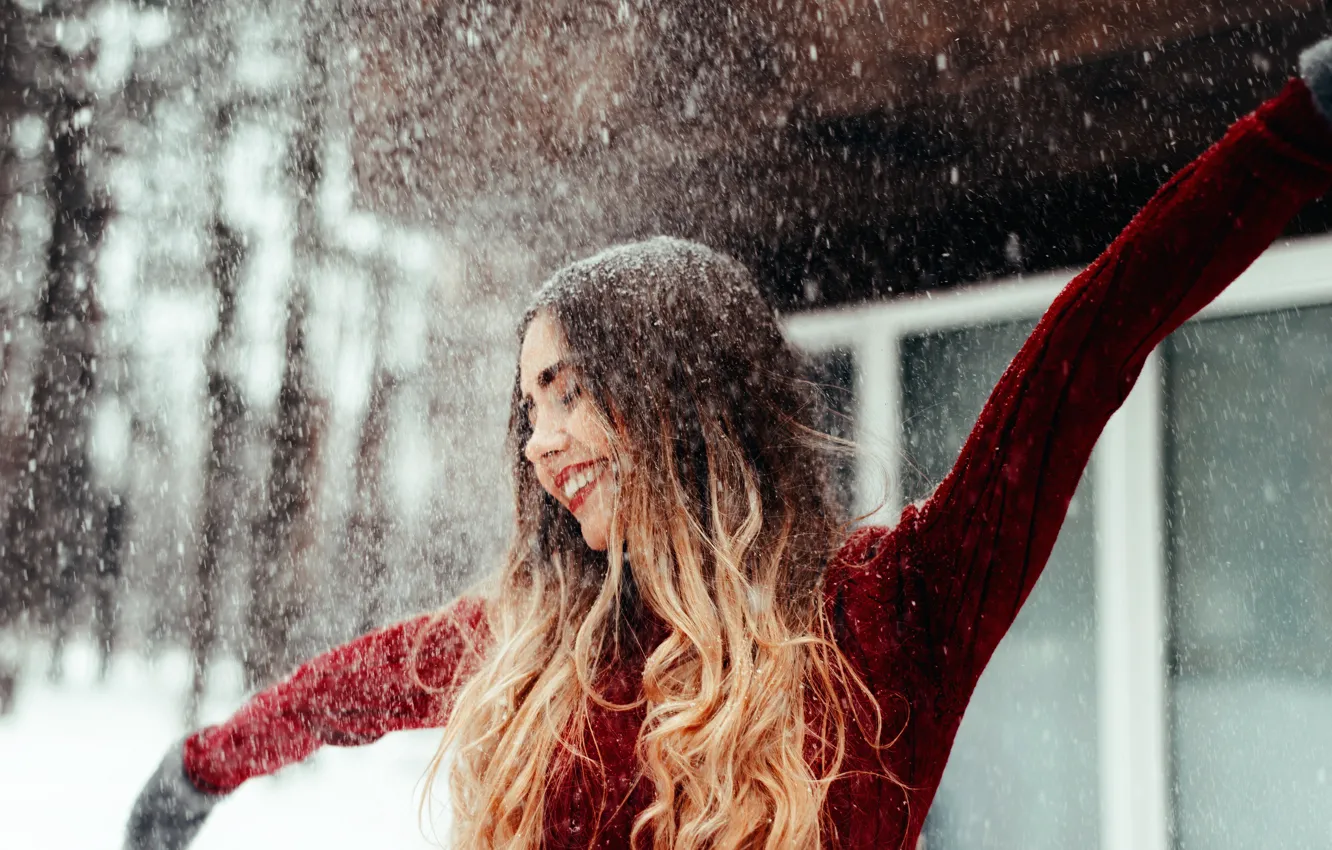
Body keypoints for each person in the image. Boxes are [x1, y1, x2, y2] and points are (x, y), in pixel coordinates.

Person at [124, 37, 1332, 850]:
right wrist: (205, 768)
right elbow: (353, 686)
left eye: (567, 390)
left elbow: (1087, 350)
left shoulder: (891, 610)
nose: (541, 442)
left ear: (674, 389)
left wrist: (1292, 135)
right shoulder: (537, 644)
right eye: (526, 409)